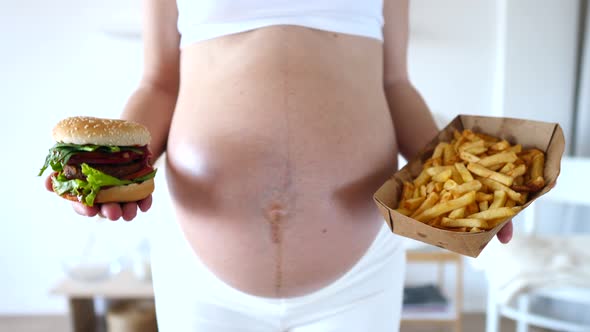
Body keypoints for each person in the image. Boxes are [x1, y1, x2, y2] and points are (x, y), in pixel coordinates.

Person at [46, 0, 513, 330]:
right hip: (200, 274)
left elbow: (395, 84)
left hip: (360, 276)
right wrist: (112, 165)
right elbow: (159, 83)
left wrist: (465, 185)